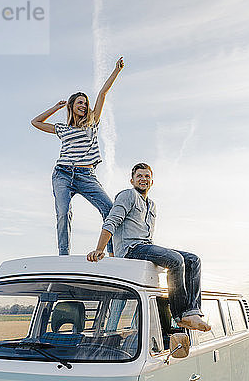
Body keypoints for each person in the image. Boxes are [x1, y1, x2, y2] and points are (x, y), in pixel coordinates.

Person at [86, 163, 211, 332]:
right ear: (132, 180)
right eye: (139, 176)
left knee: (193, 260)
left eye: (147, 176)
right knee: (175, 260)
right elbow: (112, 221)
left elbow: (148, 238)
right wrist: (99, 249)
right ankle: (180, 315)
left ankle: (192, 311)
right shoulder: (128, 195)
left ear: (152, 182)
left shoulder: (151, 205)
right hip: (131, 249)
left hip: (146, 247)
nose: (143, 179)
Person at [31, 57, 124, 255]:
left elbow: (102, 94)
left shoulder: (92, 123)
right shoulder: (62, 128)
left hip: (86, 176)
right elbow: (36, 122)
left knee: (109, 209)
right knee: (63, 213)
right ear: (72, 105)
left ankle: (110, 253)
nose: (84, 105)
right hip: (62, 174)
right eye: (80, 102)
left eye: (85, 103)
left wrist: (116, 71)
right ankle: (63, 255)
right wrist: (56, 107)